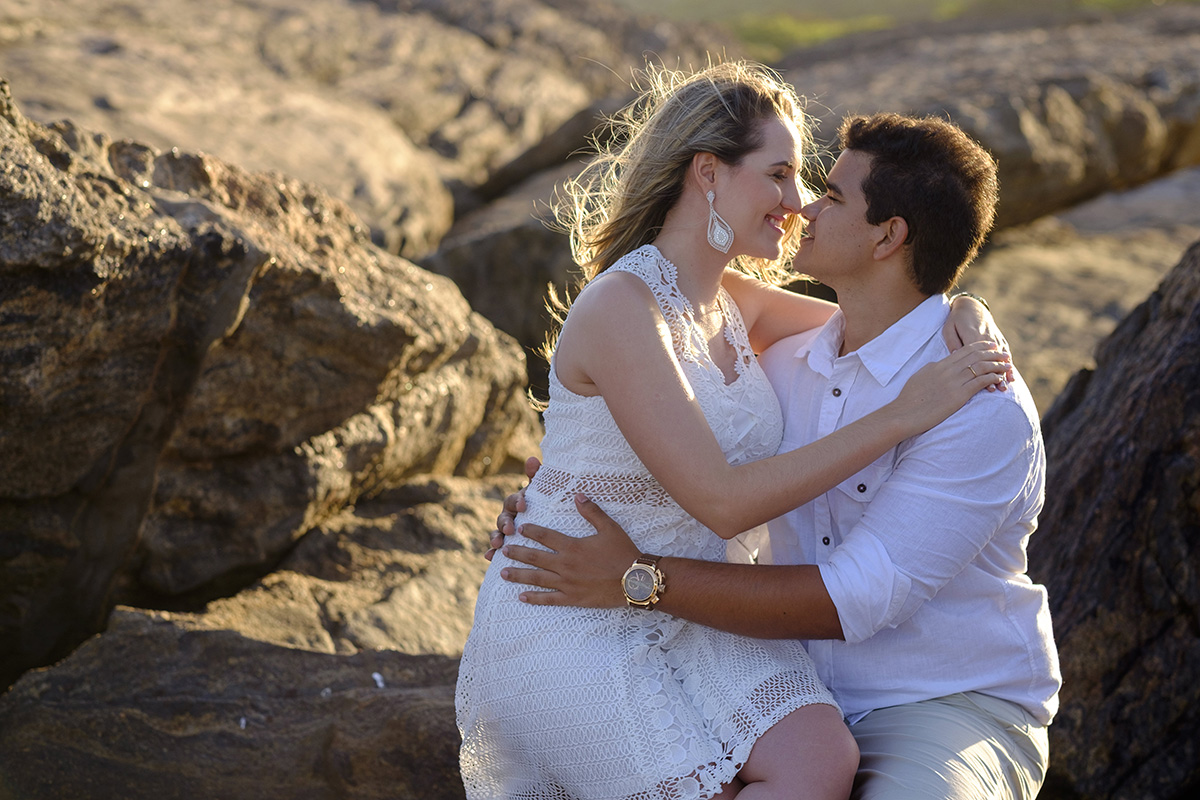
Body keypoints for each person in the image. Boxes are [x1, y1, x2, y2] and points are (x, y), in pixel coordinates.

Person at [456, 62, 1009, 800]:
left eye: (803, 181)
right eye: (779, 175)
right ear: (708, 173)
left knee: (822, 761)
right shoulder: (622, 306)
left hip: (688, 599)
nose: (798, 202)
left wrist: (968, 310)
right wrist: (902, 415)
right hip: (576, 597)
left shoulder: (736, 303)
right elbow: (722, 501)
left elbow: (897, 323)